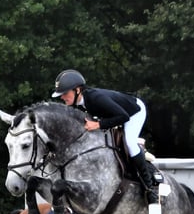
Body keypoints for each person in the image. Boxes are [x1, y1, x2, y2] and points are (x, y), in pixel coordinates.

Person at [52, 69, 158, 204]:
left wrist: (98, 125)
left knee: (130, 142)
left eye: (65, 93)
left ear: (77, 90)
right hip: (117, 114)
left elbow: (123, 116)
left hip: (133, 112)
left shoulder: (96, 98)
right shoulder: (79, 104)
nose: (62, 97)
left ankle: (149, 189)